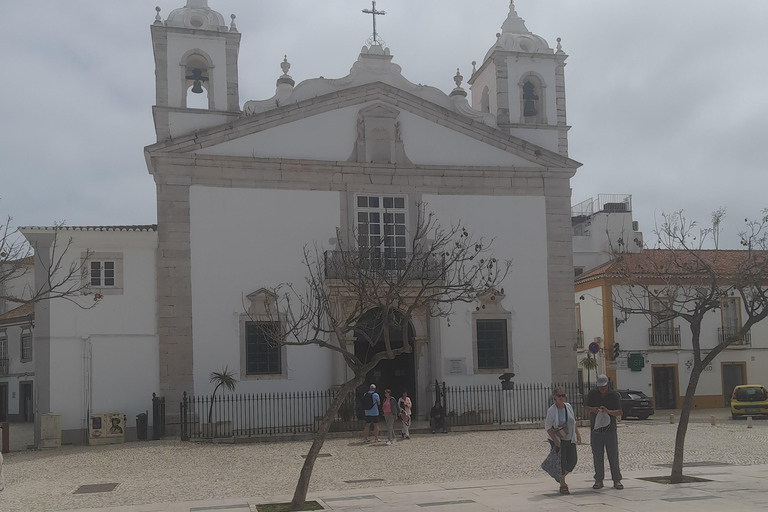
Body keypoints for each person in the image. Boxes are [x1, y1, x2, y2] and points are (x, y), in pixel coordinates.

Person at [584, 374, 624, 490]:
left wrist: (608, 411)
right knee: (597, 456)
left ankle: (616, 480)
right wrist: (593, 410)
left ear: (607, 385)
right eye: (600, 387)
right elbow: (586, 407)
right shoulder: (592, 394)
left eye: (603, 386)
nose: (602, 389)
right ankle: (598, 480)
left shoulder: (614, 395)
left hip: (610, 430)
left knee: (613, 455)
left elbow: (619, 412)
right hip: (596, 430)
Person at [545, 387, 582, 494]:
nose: (561, 398)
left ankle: (560, 476)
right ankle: (563, 484)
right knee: (561, 462)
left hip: (570, 439)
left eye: (563, 395)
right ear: (554, 397)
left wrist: (577, 434)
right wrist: (555, 441)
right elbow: (548, 427)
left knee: (573, 460)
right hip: (559, 440)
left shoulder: (568, 406)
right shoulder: (551, 410)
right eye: (559, 396)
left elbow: (573, 421)